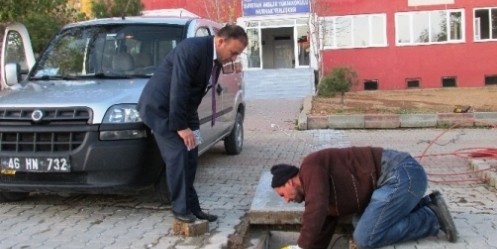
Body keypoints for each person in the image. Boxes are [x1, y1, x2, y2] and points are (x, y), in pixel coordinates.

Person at [138, 24, 248, 223]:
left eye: (237, 55)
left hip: (186, 111)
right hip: (161, 110)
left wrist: (189, 125)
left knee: (192, 153)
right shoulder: (192, 50)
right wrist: (181, 127)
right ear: (221, 41)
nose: (233, 58)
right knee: (178, 154)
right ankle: (180, 209)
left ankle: (193, 206)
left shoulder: (213, 56)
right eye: (233, 53)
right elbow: (178, 88)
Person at [270, 146, 458, 249]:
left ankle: (431, 218)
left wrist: (301, 247)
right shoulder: (320, 188)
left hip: (401, 174)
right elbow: (322, 223)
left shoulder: (310, 166)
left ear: (289, 183)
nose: (286, 200)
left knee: (365, 237)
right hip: (397, 181)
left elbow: (316, 207)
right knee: (360, 221)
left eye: (282, 195)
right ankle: (427, 205)